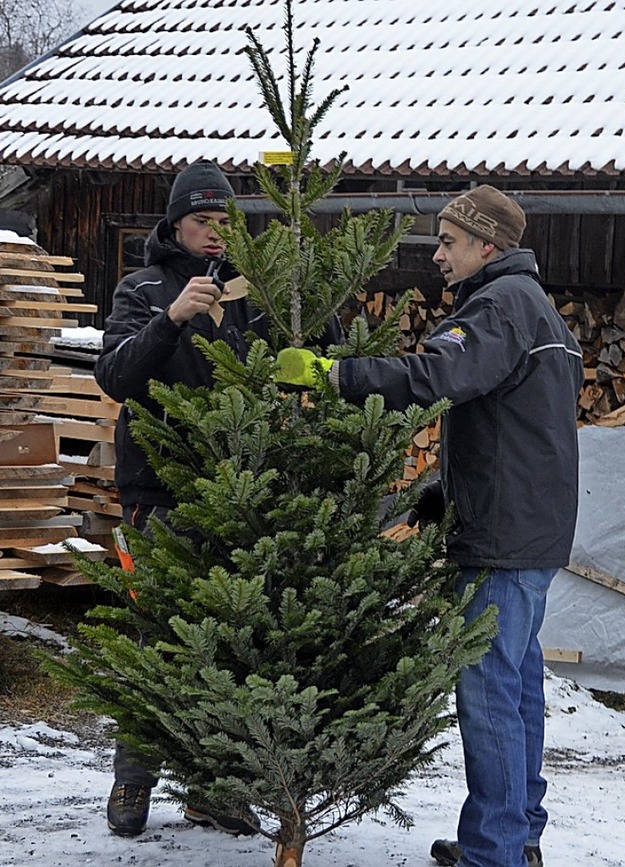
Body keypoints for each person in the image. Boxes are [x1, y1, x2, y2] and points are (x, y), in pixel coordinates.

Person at [274, 185, 584, 867]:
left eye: (448, 241)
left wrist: (336, 374)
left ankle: (493, 852)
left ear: (487, 245)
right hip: (531, 532)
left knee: (488, 692)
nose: (437, 253)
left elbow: (435, 374)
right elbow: (520, 429)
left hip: (503, 540)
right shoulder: (541, 314)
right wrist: (446, 488)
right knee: (518, 685)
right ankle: (516, 834)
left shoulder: (498, 307)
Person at [95, 160, 342, 838]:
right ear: (176, 222)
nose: (214, 231)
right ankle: (132, 779)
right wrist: (171, 320)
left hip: (236, 493)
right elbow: (115, 374)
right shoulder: (142, 289)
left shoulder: (247, 293)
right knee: (159, 640)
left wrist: (315, 296)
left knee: (230, 643)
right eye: (203, 219)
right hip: (157, 495)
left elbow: (325, 342)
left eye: (225, 220)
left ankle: (211, 788)